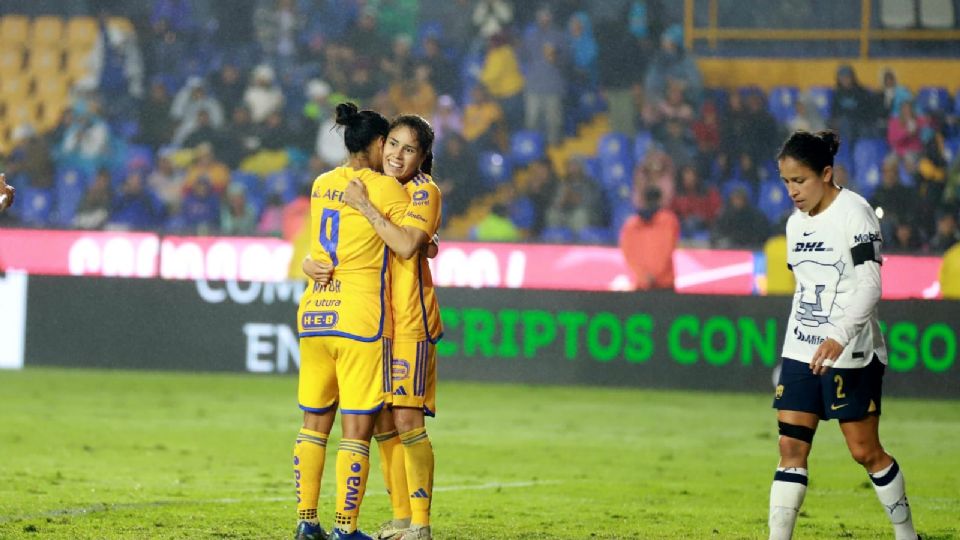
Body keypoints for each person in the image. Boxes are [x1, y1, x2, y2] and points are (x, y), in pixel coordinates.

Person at [769, 130, 919, 540]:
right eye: (786, 182)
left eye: (800, 180)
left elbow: (870, 285)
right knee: (791, 450)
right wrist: (803, 342)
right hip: (802, 349)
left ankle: (906, 535)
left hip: (849, 350)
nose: (792, 191)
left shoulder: (856, 212)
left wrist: (837, 335)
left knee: (864, 452)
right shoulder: (794, 225)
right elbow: (805, 286)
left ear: (826, 173)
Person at [305, 115, 443, 540]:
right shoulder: (377, 186)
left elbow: (406, 244)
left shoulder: (423, 191)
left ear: (422, 158)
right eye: (393, 145)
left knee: (406, 421)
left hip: (409, 322)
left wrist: (365, 206)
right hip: (374, 321)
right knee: (382, 423)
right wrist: (310, 267)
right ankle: (401, 517)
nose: (397, 155)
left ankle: (420, 524)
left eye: (408, 149)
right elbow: (339, 246)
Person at [293, 103, 410, 540]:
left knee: (313, 423)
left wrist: (309, 264)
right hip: (360, 318)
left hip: (316, 312)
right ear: (379, 144)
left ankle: (307, 521)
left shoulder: (322, 183)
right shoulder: (385, 188)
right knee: (357, 427)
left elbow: (319, 251)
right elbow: (409, 244)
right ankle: (345, 528)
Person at [619, 185, 679, 290]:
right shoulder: (669, 221)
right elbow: (667, 249)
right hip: (663, 283)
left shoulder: (630, 225)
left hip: (643, 284)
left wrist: (643, 275)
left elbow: (628, 254)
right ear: (661, 200)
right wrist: (652, 275)